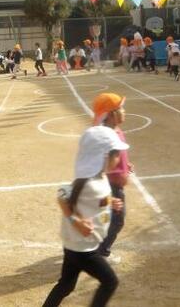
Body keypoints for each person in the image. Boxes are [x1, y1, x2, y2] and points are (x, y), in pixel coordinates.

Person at [42, 125, 128, 307]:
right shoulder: (87, 182)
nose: (119, 158)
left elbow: (96, 198)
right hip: (83, 249)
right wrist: (76, 220)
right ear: (103, 156)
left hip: (76, 245)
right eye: (116, 155)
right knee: (110, 282)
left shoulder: (100, 177)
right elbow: (62, 194)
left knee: (66, 285)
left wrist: (110, 201)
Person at [93, 94, 133, 264]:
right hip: (110, 187)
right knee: (116, 221)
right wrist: (115, 179)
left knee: (107, 218)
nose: (124, 111)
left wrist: (126, 164)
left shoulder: (116, 130)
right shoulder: (106, 136)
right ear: (111, 114)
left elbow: (119, 154)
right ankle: (101, 253)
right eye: (120, 109)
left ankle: (94, 248)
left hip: (113, 186)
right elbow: (101, 164)